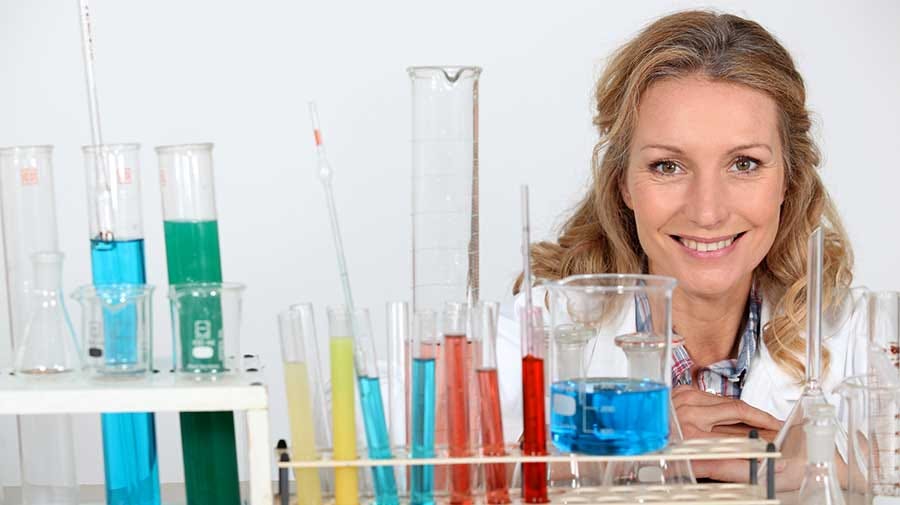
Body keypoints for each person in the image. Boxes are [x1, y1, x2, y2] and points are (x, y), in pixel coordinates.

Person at [497, 10, 867, 486]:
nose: (707, 212)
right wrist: (640, 446)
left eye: (745, 164)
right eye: (668, 166)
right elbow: (424, 460)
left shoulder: (856, 337)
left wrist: (805, 467)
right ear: (623, 185)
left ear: (789, 182)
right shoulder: (540, 331)